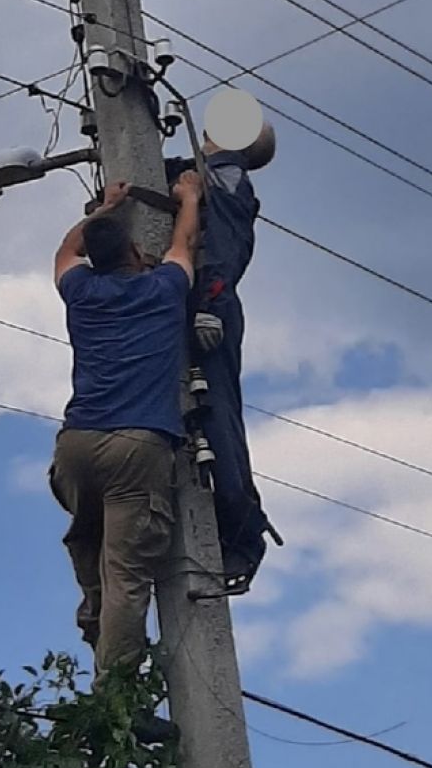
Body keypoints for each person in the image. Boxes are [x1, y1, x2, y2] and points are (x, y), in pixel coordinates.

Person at [49, 171, 202, 682]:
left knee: (89, 545)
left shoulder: (80, 291)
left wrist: (105, 209)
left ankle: (96, 628)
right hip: (136, 447)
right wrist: (189, 197)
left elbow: (64, 253)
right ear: (138, 253)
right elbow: (184, 242)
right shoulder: (163, 289)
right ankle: (116, 696)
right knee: (127, 576)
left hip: (76, 446)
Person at [166, 121, 279, 593]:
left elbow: (225, 243)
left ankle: (241, 527)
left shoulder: (227, 175)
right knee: (207, 411)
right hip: (196, 301)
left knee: (215, 415)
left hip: (208, 302)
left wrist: (210, 304)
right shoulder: (204, 172)